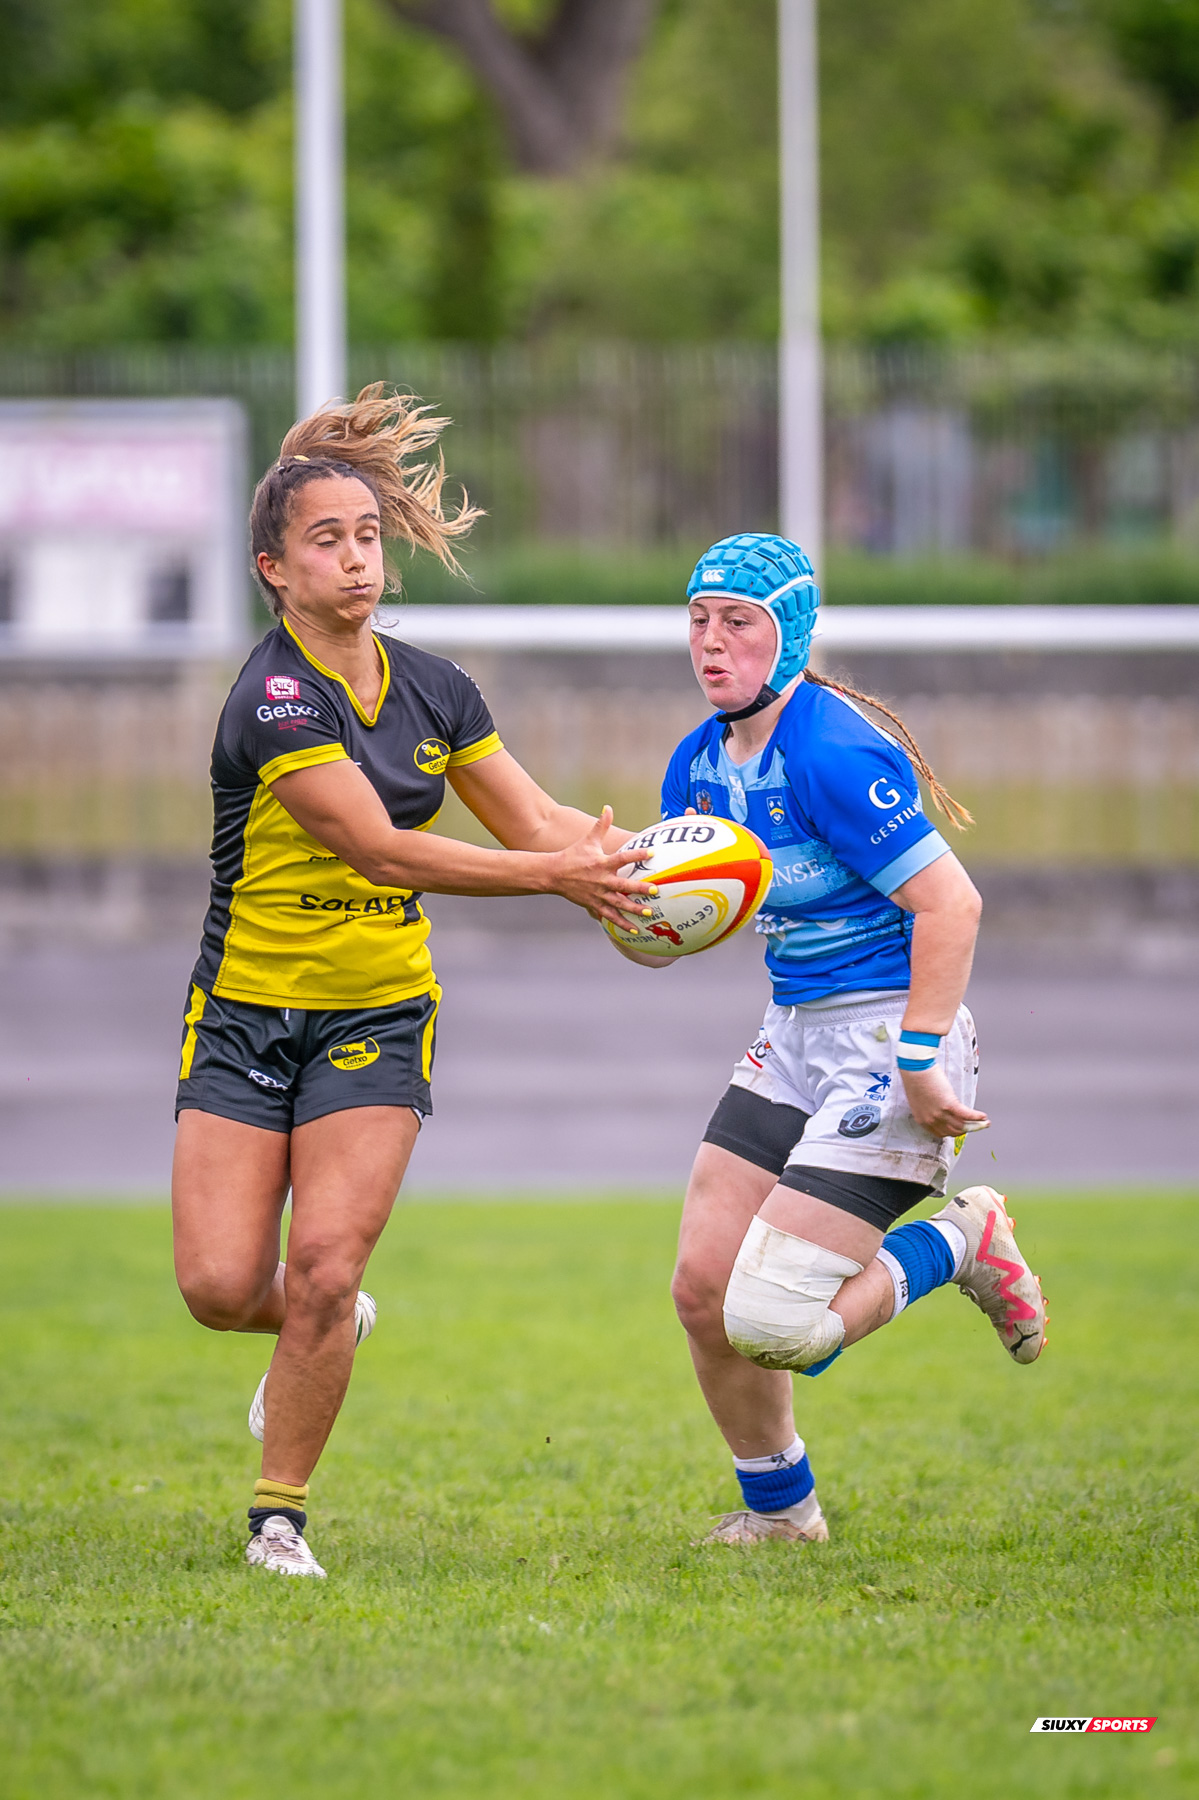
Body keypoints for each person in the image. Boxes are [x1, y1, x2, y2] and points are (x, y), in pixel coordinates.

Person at [173, 385, 651, 1578]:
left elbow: (535, 816)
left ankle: (277, 1517)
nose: (355, 559)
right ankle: (324, 1326)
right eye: (325, 541)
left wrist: (631, 866)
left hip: (379, 1012)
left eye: (368, 535)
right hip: (241, 1013)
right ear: (272, 570)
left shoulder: (437, 689)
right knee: (224, 1287)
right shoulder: (271, 698)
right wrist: (554, 878)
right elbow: (378, 849)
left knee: (326, 1263)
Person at [620, 533, 1046, 1545]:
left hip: (888, 1044)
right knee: (701, 1290)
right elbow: (679, 937)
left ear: (791, 635)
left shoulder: (830, 750)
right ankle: (782, 1515)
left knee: (775, 1327)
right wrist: (629, 911)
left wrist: (917, 1058)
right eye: (697, 620)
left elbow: (951, 904)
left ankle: (959, 1241)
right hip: (791, 1036)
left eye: (738, 623)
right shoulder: (696, 762)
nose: (711, 644)